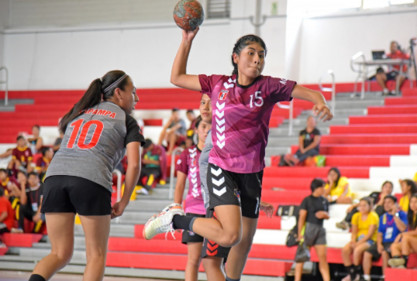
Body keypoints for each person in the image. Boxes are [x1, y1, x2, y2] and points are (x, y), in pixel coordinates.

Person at [144, 29, 332, 281]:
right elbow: (176, 77)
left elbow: (309, 93)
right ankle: (176, 220)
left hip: (252, 173)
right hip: (222, 168)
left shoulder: (269, 86)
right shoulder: (217, 83)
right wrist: (186, 41)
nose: (257, 59)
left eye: (262, 55)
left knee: (242, 246)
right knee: (230, 235)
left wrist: (320, 100)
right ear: (235, 57)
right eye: (251, 53)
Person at [28, 70, 144, 281]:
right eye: (133, 92)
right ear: (118, 93)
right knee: (96, 255)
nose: (136, 98)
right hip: (91, 178)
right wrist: (124, 201)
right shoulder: (127, 120)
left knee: (58, 253)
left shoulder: (81, 111)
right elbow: (135, 165)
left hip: (54, 177)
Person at [173, 116, 211, 281]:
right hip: (193, 213)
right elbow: (180, 184)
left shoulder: (221, 153)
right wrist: (176, 207)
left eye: (210, 126)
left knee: (214, 261)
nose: (207, 130)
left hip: (215, 212)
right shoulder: (187, 154)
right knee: (194, 260)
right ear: (196, 130)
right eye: (203, 126)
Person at [362, 195, 407, 281]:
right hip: (383, 242)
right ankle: (366, 277)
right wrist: (379, 244)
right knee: (367, 253)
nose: (386, 205)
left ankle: (384, 277)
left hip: (395, 243)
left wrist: (395, 215)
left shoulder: (402, 214)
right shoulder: (383, 217)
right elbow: (379, 233)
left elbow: (403, 229)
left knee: (384, 253)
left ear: (395, 204)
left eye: (389, 202)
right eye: (385, 202)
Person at [295, 178, 330, 281]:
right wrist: (299, 233)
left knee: (323, 258)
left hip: (320, 229)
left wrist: (324, 215)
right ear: (317, 188)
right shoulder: (307, 200)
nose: (324, 189)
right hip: (308, 228)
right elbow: (302, 217)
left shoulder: (324, 200)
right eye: (322, 187)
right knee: (301, 258)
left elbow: (328, 215)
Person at [388, 194, 417, 269]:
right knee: (394, 246)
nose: (413, 204)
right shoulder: (412, 215)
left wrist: (401, 235)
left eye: (415, 202)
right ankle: (399, 266)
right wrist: (395, 214)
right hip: (415, 243)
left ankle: (404, 262)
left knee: (406, 238)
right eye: (411, 202)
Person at [341, 197, 379, 281]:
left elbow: (370, 234)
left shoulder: (373, 216)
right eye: (360, 205)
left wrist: (358, 243)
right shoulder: (356, 215)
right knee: (345, 249)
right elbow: (354, 232)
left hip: (371, 239)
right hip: (359, 238)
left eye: (364, 205)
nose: (362, 208)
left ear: (370, 206)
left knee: (357, 250)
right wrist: (354, 241)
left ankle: (358, 274)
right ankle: (352, 274)